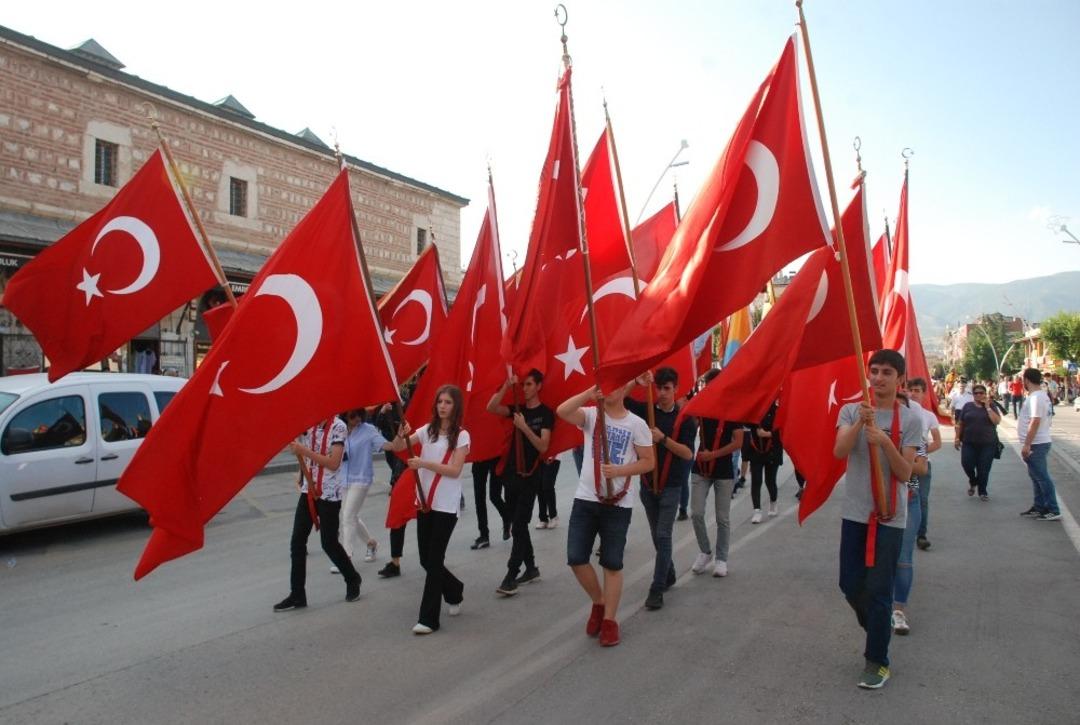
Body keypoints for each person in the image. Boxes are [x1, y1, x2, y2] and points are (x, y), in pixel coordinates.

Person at [833, 349, 922, 689]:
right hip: (855, 513)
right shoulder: (851, 410)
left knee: (879, 589)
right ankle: (878, 628)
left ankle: (877, 661)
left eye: (887, 372)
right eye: (875, 371)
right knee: (849, 584)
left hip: (890, 516)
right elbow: (839, 451)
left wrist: (884, 440)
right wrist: (860, 422)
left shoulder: (911, 420)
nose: (879, 377)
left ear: (899, 379)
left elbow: (905, 472)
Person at [557, 383, 654, 647]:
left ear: (625, 391)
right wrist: (587, 393)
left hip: (618, 504)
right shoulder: (591, 415)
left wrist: (620, 472)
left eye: (616, 386)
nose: (609, 390)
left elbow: (648, 461)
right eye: (606, 385)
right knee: (576, 557)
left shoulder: (637, 424)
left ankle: (610, 620)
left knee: (612, 563)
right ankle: (599, 602)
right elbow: (563, 411)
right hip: (586, 498)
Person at [274, 415, 373, 611]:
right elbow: (299, 450)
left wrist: (304, 451)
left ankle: (352, 578)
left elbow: (334, 463)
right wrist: (301, 469)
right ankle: (297, 594)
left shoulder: (339, 427)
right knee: (297, 541)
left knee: (328, 543)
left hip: (329, 493)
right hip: (308, 492)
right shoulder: (308, 424)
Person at [626, 367, 697, 611]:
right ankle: (669, 572)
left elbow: (688, 454)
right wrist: (636, 381)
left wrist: (663, 439)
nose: (662, 393)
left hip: (672, 485)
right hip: (647, 484)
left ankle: (656, 589)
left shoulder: (685, 419)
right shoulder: (647, 410)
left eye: (667, 388)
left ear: (676, 389)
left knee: (664, 535)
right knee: (657, 535)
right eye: (659, 388)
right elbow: (621, 399)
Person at [403, 384, 470, 634]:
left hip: (445, 505)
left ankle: (429, 619)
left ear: (456, 406)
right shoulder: (427, 431)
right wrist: (401, 432)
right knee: (425, 559)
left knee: (433, 559)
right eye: (440, 401)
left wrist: (423, 463)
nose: (443, 406)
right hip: (424, 502)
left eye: (448, 402)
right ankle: (454, 590)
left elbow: (455, 470)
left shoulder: (461, 436)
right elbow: (398, 446)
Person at [487, 370, 553, 597]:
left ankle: (511, 575)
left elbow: (544, 446)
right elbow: (492, 407)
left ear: (539, 386)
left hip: (530, 475)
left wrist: (524, 428)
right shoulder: (518, 409)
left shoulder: (545, 414)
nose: (524, 389)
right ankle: (531, 567)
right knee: (519, 524)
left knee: (519, 524)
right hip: (511, 474)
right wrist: (506, 385)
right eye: (523, 385)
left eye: (528, 384)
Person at [892, 379, 940, 633]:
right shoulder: (877, 431)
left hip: (908, 500)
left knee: (903, 558)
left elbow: (921, 467)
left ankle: (899, 610)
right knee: (878, 559)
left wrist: (892, 457)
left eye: (902, 407)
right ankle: (880, 603)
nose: (897, 412)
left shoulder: (913, 432)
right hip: (880, 502)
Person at [689, 368, 745, 577]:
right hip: (701, 468)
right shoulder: (701, 405)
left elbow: (738, 442)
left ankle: (722, 559)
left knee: (723, 517)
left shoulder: (732, 409)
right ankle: (705, 551)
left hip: (722, 469)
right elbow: (688, 422)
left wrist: (714, 454)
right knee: (696, 512)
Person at [340, 408, 398, 567]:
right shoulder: (339, 429)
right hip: (344, 478)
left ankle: (346, 558)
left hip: (361, 478)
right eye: (353, 415)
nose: (357, 419)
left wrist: (399, 437)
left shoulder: (368, 430)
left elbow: (386, 445)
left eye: (360, 415)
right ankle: (371, 544)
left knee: (347, 517)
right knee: (349, 515)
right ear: (345, 414)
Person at [1018, 369, 1061, 521]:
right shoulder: (1041, 395)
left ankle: (1052, 509)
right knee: (1036, 476)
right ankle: (1039, 506)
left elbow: (1035, 421)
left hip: (1037, 443)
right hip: (1038, 441)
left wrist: (1027, 444)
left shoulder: (1036, 397)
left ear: (1027, 380)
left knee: (1042, 477)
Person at [905, 379, 942, 551]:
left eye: (917, 390)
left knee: (922, 500)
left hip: (922, 466)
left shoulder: (929, 416)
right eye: (910, 390)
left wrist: (922, 455)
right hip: (903, 464)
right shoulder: (902, 412)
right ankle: (905, 531)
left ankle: (921, 535)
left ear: (923, 393)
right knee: (904, 499)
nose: (913, 393)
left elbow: (937, 442)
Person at [375, 399, 409, 578]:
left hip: (413, 462)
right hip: (396, 457)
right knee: (397, 516)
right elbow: (377, 425)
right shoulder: (386, 408)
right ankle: (395, 561)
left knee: (429, 518)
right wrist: (382, 411)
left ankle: (435, 556)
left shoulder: (407, 404)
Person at [955, 384, 1002, 500]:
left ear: (985, 394)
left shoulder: (991, 405)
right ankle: (973, 480)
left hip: (988, 443)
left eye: (981, 393)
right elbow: (960, 423)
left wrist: (988, 407)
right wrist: (957, 438)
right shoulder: (967, 406)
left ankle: (983, 492)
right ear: (973, 395)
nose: (979, 395)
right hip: (969, 442)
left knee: (984, 468)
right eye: (976, 393)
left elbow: (997, 421)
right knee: (966, 464)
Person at [747, 402, 783, 524]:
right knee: (756, 480)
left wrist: (768, 434)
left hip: (772, 451)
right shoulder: (754, 410)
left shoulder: (778, 411)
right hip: (756, 450)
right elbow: (745, 422)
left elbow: (784, 430)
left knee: (770, 480)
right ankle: (757, 510)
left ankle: (773, 502)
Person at [469, 456, 510, 550]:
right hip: (479, 457)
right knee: (479, 498)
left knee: (494, 496)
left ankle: (507, 517)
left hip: (495, 456)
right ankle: (484, 535)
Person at [536, 457, 560, 529]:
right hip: (540, 456)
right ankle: (543, 519)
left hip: (553, 456)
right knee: (539, 486)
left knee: (548, 485)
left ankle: (553, 516)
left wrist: (554, 455)